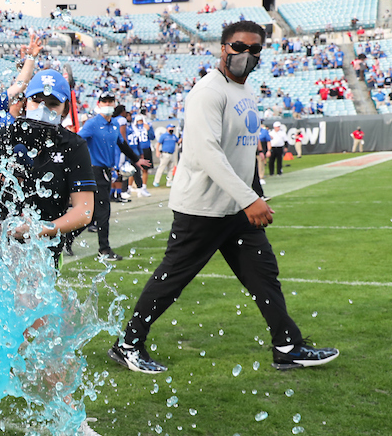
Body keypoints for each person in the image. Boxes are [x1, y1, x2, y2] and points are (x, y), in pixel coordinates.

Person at [109, 21, 339, 374]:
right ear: (223, 48)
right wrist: (249, 199)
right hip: (202, 208)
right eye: (239, 47)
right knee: (172, 279)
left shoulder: (245, 90)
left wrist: (254, 194)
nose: (246, 54)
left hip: (236, 209)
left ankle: (287, 346)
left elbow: (243, 152)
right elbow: (208, 154)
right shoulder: (208, 92)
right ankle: (128, 344)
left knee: (264, 275)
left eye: (254, 49)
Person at [0, 69, 117, 436]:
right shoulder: (4, 135)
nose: (43, 107)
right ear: (26, 100)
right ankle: (74, 427)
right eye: (38, 99)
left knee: (9, 342)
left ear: (65, 107)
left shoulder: (73, 146)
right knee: (41, 344)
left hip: (39, 257)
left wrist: (40, 230)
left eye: (53, 102)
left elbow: (83, 211)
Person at [77, 93, 150, 261]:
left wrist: (136, 159)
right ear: (99, 104)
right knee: (103, 211)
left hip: (105, 170)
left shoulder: (114, 124)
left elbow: (122, 144)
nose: (108, 104)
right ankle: (104, 249)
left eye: (111, 101)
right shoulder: (93, 123)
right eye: (105, 101)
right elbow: (77, 140)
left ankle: (67, 237)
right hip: (95, 170)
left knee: (93, 212)